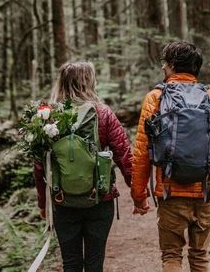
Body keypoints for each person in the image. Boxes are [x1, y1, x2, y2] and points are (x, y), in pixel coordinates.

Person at [131, 41, 210, 272]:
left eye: (164, 63)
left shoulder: (155, 98)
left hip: (171, 192)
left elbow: (142, 153)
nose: (162, 68)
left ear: (171, 66)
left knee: (171, 255)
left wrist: (139, 196)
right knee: (200, 256)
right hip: (207, 191)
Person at [34, 61, 132, 272]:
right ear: (89, 82)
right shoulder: (103, 113)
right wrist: (137, 191)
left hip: (62, 201)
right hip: (99, 198)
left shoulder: (48, 116)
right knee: (95, 263)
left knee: (71, 264)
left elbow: (40, 166)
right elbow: (124, 154)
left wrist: (43, 203)